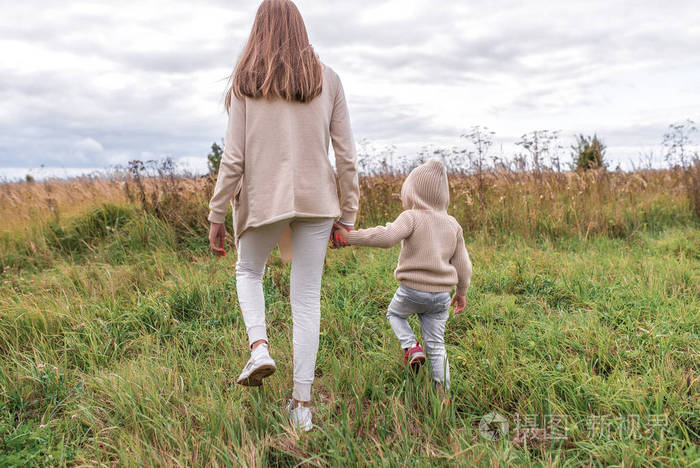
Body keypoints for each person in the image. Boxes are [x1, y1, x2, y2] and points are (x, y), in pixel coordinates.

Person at [207, 0, 359, 432]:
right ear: (300, 28)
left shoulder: (246, 82)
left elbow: (233, 159)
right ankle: (302, 405)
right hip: (317, 201)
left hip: (264, 199)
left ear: (260, 29)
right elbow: (346, 156)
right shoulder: (327, 79)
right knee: (306, 299)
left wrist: (217, 213)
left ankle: (259, 347)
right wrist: (346, 214)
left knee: (249, 270)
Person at [333, 160, 471, 390]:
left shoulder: (411, 217)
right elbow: (463, 264)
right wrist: (462, 291)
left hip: (411, 292)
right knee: (437, 345)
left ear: (413, 193)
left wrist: (349, 237)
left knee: (395, 315)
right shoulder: (453, 224)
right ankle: (443, 395)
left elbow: (386, 237)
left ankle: (411, 347)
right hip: (441, 297)